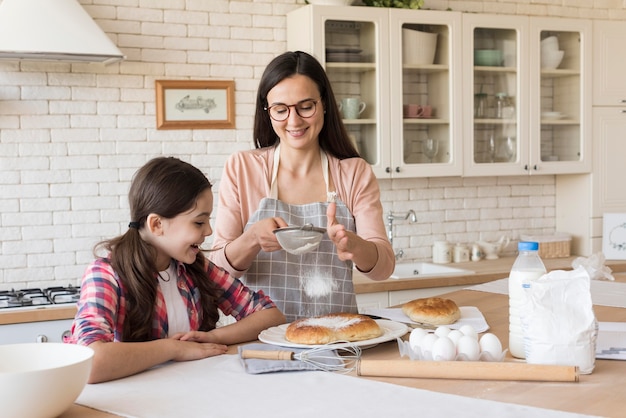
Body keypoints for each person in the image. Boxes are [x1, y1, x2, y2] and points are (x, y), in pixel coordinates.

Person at [210, 51, 394, 322]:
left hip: (336, 339)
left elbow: (383, 268)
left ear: (324, 105)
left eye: (305, 106)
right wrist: (251, 239)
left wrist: (354, 245)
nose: (294, 121)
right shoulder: (242, 168)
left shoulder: (354, 172)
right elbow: (216, 272)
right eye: (281, 110)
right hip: (261, 343)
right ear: (268, 112)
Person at [69, 157, 285, 383]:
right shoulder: (106, 274)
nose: (209, 231)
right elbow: (90, 362)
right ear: (157, 225)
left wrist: (211, 337)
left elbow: (270, 316)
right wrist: (174, 349)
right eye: (199, 223)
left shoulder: (196, 267)